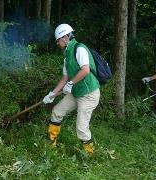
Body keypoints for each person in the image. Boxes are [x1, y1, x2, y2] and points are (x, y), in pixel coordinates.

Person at [42, 24, 100, 154]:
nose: (57, 43)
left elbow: (85, 70)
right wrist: (52, 94)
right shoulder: (67, 55)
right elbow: (64, 78)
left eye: (58, 40)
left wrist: (71, 83)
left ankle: (90, 155)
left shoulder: (79, 49)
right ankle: (51, 146)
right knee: (57, 112)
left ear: (65, 37)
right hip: (76, 92)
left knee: (81, 128)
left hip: (89, 94)